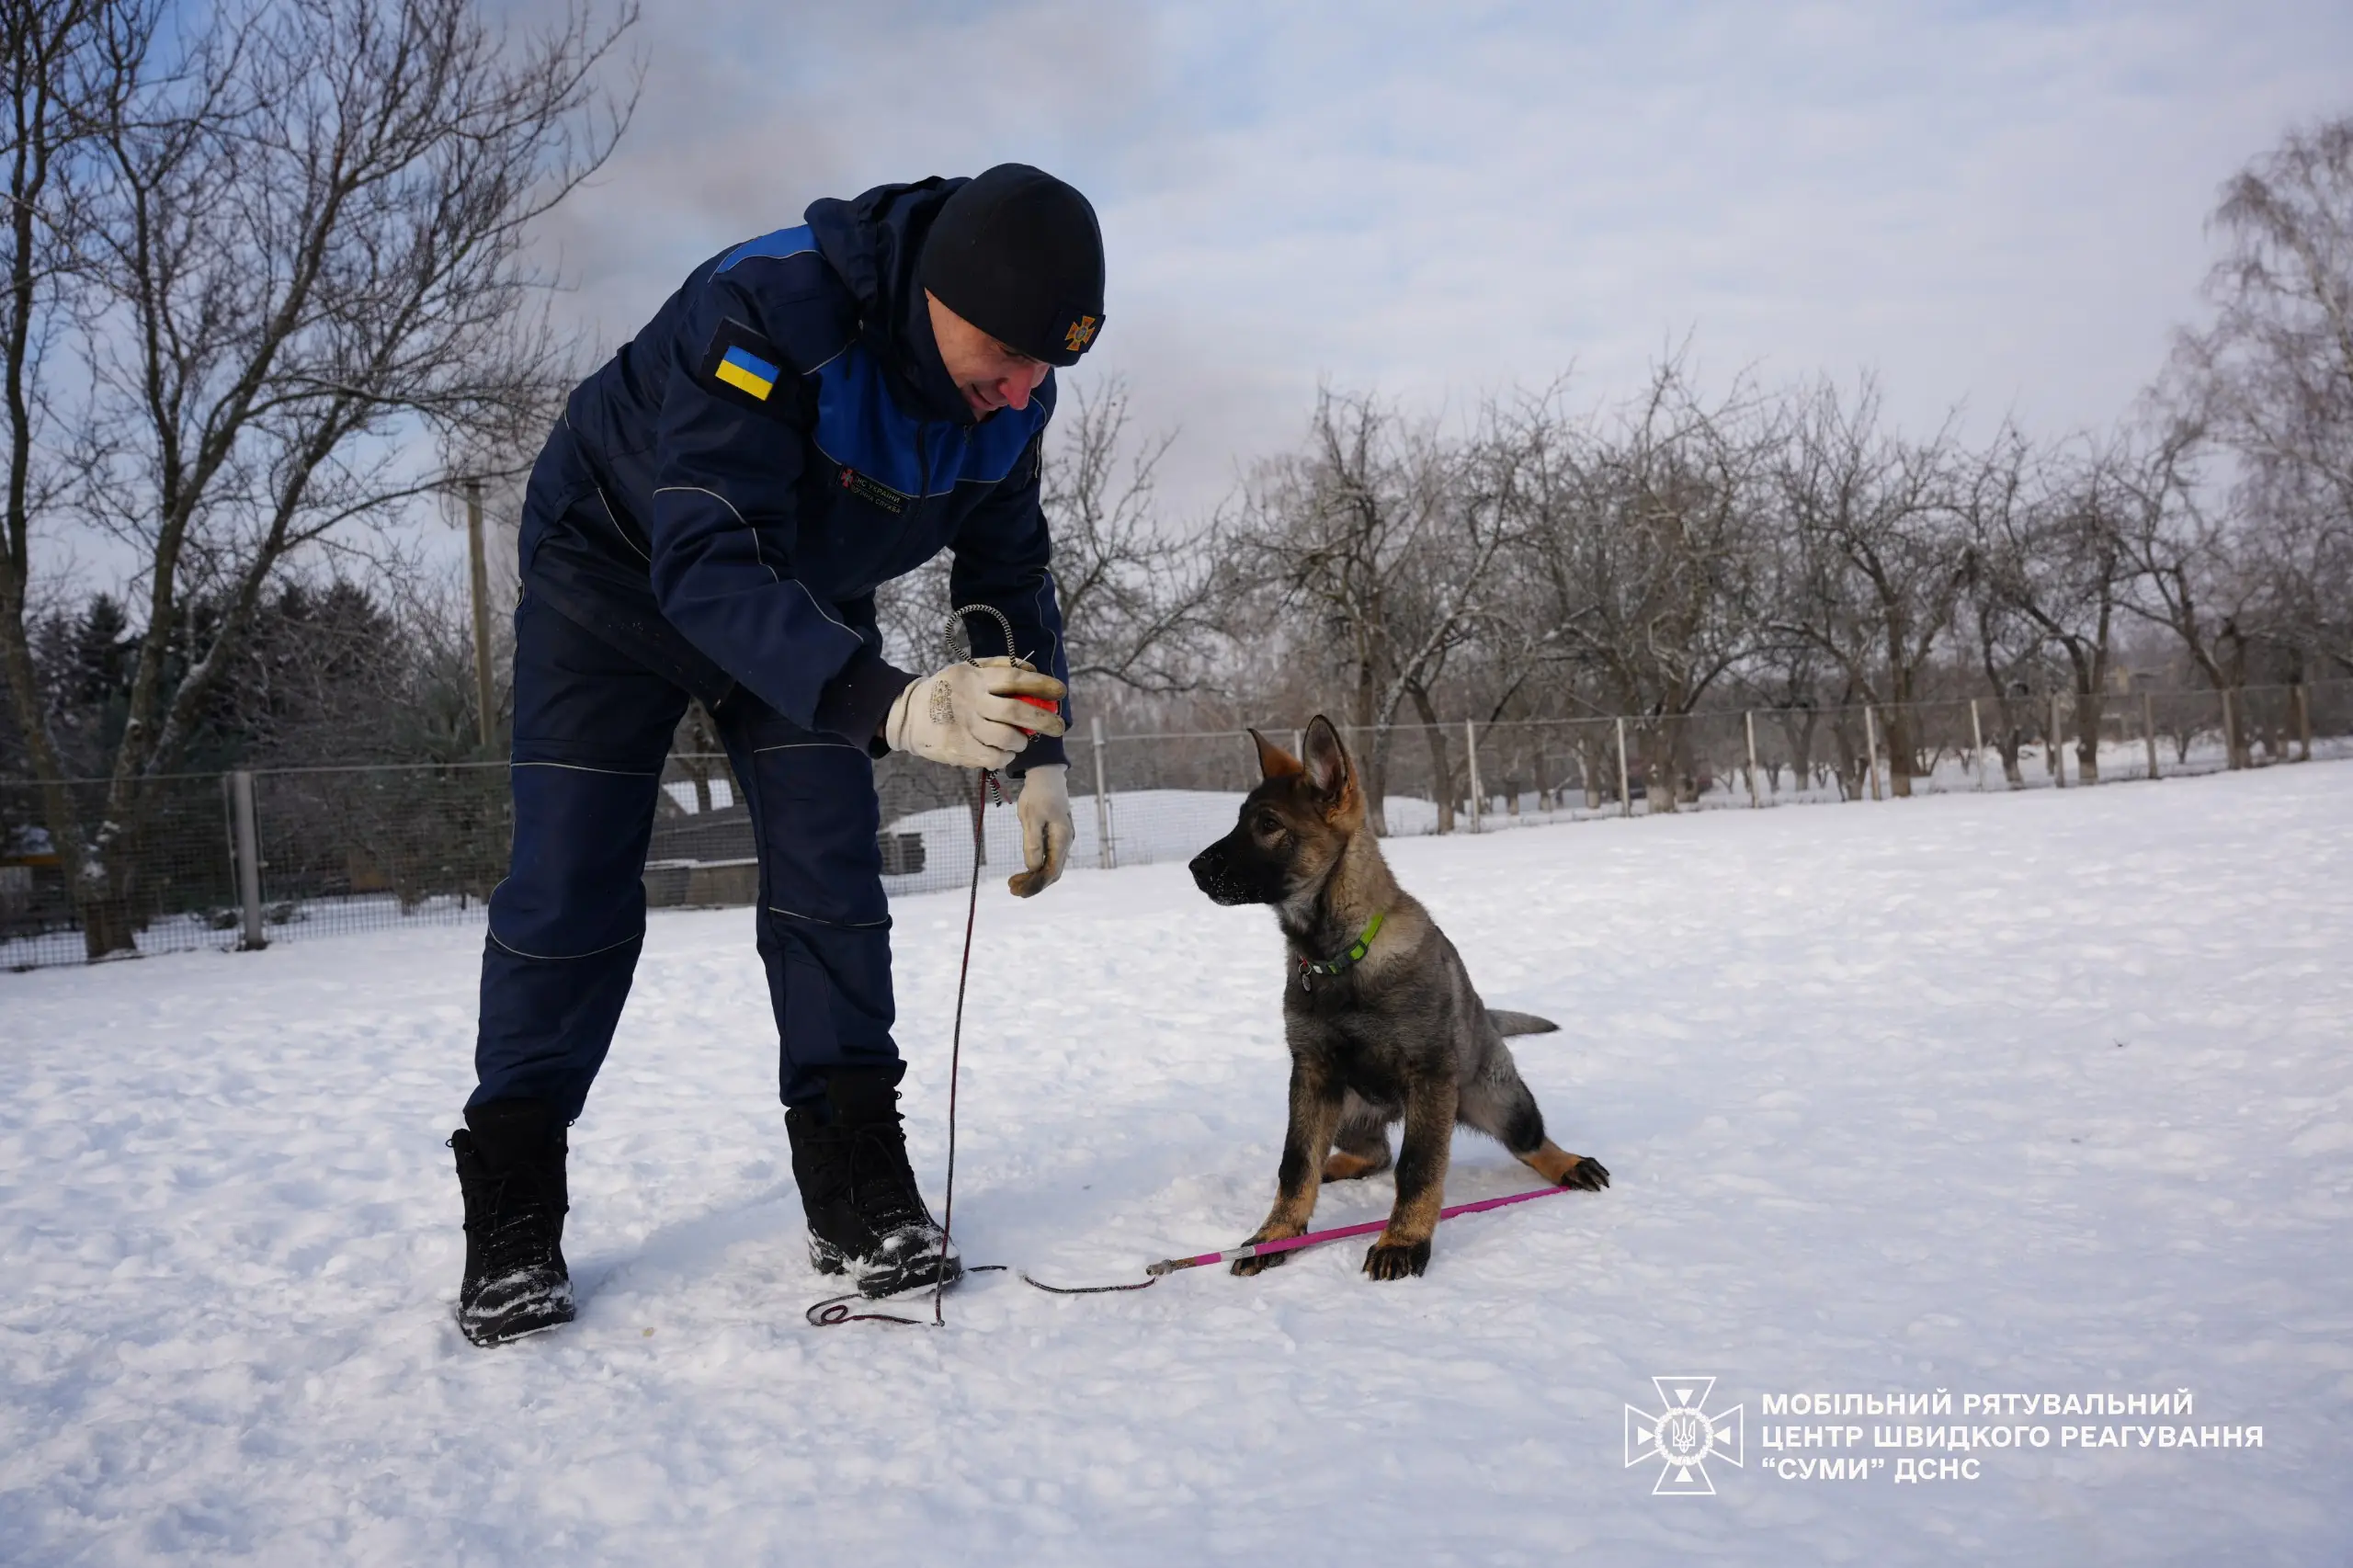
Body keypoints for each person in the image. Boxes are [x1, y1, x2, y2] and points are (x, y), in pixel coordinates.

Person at [447, 165, 1106, 1346]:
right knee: (571, 883)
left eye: (1045, 369)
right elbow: (704, 561)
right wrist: (896, 707)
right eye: (1008, 357)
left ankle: (857, 1182)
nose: (1022, 392)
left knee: (831, 872)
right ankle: (512, 1204)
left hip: (800, 591)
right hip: (611, 574)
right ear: (942, 296)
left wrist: (1041, 753)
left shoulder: (1014, 398)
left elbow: (1008, 569)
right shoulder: (768, 308)